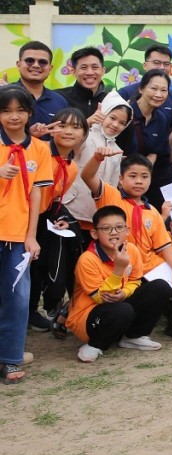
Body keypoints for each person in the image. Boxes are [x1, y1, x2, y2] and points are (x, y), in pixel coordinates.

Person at [83, 152, 172, 344]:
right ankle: (134, 332)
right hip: (123, 268)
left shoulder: (152, 211)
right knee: (157, 289)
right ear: (121, 179)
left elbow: (164, 245)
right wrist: (96, 157)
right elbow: (87, 177)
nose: (139, 181)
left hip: (150, 266)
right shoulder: (111, 197)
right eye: (132, 176)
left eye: (144, 176)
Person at [67, 206, 171, 363]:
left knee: (160, 287)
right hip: (87, 315)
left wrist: (125, 293)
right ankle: (95, 345)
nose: (114, 232)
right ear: (94, 233)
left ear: (127, 230)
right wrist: (118, 270)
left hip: (119, 304)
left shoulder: (132, 250)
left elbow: (135, 280)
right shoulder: (87, 259)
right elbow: (101, 298)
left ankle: (133, 336)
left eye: (119, 227)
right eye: (106, 228)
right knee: (123, 309)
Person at [0, 85, 53, 383]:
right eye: (6, 110)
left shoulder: (39, 149)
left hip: (19, 235)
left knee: (18, 298)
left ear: (30, 113)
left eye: (20, 110)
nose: (13, 116)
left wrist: (31, 236)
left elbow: (36, 196)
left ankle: (9, 357)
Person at [28, 107, 87, 333]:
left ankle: (32, 310)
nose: (68, 131)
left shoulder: (71, 168)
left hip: (42, 217)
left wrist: (61, 217)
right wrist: (32, 137)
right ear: (51, 129)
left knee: (37, 268)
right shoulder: (39, 149)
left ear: (84, 134)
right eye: (62, 125)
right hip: (18, 217)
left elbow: (52, 199)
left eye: (76, 127)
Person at [63, 93, 132, 230]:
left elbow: (111, 187)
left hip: (96, 216)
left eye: (122, 123)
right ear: (103, 113)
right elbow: (68, 142)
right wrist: (87, 123)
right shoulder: (86, 136)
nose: (115, 125)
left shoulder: (116, 150)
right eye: (112, 118)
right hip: (70, 210)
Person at [125, 69, 172, 210]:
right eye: (154, 89)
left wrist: (143, 177)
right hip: (121, 178)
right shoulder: (126, 113)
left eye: (164, 90)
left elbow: (154, 153)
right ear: (141, 88)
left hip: (146, 180)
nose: (159, 94)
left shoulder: (162, 118)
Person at [12, 41, 68, 139]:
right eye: (30, 60)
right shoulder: (4, 96)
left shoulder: (60, 101)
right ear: (18, 64)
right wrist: (28, 136)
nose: (36, 65)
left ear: (50, 68)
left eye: (42, 62)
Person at [118, 44, 172, 121]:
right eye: (156, 63)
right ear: (145, 65)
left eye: (166, 64)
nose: (162, 67)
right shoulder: (125, 93)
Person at [57, 47, 107, 126]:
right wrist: (87, 123)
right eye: (83, 67)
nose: (90, 72)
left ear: (103, 71)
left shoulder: (110, 100)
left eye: (95, 67)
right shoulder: (58, 97)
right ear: (73, 72)